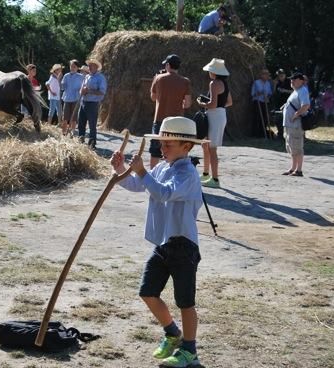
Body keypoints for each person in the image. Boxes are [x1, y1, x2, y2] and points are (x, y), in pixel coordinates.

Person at [110, 116, 204, 368]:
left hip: (183, 246)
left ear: (187, 147)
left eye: (168, 145)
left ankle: (190, 351)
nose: (162, 149)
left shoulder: (188, 173)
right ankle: (173, 333)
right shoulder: (163, 167)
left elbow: (164, 193)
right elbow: (138, 185)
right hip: (163, 245)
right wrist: (120, 170)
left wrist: (141, 170)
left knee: (185, 301)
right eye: (161, 143)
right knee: (148, 292)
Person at [149, 54, 192, 169]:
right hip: (177, 123)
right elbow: (187, 104)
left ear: (168, 65)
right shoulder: (185, 81)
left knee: (155, 151)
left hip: (160, 119)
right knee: (174, 151)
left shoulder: (158, 78)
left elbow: (153, 97)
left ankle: (153, 176)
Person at [197, 58, 233, 189]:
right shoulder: (224, 83)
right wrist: (217, 105)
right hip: (220, 114)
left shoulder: (214, 83)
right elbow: (229, 102)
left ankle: (215, 179)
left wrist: (202, 103)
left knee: (211, 149)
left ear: (214, 72)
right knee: (206, 146)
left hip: (214, 115)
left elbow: (212, 104)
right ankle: (206, 174)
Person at [281, 72, 311, 177]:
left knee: (297, 147)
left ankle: (299, 170)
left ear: (301, 81)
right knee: (291, 147)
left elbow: (306, 105)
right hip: (290, 125)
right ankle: (293, 168)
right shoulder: (296, 91)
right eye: (291, 79)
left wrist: (296, 115)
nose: (292, 81)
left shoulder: (302, 91)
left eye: (295, 79)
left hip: (296, 125)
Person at [77, 58, 107, 149]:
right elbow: (81, 90)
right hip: (83, 102)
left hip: (93, 103)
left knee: (92, 124)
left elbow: (102, 92)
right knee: (81, 122)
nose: (89, 67)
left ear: (96, 67)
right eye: (89, 65)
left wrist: (89, 91)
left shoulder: (100, 78)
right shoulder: (87, 77)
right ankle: (80, 140)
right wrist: (82, 91)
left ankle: (92, 143)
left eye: (91, 65)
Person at [61, 60, 84, 136]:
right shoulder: (66, 76)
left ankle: (72, 133)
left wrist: (81, 90)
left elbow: (83, 87)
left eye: (74, 66)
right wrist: (61, 82)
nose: (72, 68)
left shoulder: (81, 77)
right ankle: (63, 133)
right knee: (65, 117)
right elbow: (62, 87)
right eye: (71, 66)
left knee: (74, 118)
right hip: (67, 98)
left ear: (77, 68)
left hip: (76, 99)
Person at [251, 69, 273, 138]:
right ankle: (256, 133)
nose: (267, 76)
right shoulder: (256, 83)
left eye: (267, 74)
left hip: (265, 102)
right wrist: (260, 93)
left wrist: (268, 97)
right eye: (265, 74)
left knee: (265, 118)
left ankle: (263, 132)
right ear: (261, 75)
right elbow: (252, 94)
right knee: (257, 118)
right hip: (257, 102)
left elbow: (269, 93)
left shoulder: (268, 83)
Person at [273, 69, 292, 138]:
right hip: (279, 103)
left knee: (289, 119)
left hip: (289, 103)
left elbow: (294, 92)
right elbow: (273, 93)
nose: (280, 77)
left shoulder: (290, 81)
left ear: (285, 75)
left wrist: (285, 91)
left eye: (282, 75)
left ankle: (289, 135)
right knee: (278, 119)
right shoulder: (277, 82)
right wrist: (274, 85)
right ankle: (280, 134)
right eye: (279, 75)